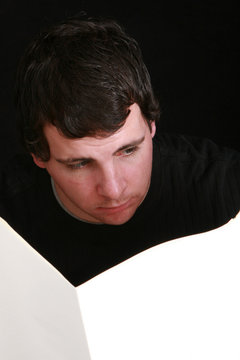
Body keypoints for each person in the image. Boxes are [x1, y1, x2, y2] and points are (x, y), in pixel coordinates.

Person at [1, 15, 240, 286]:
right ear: (38, 156)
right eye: (79, 164)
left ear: (151, 124)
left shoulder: (226, 189)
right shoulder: (6, 220)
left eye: (128, 150)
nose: (113, 190)